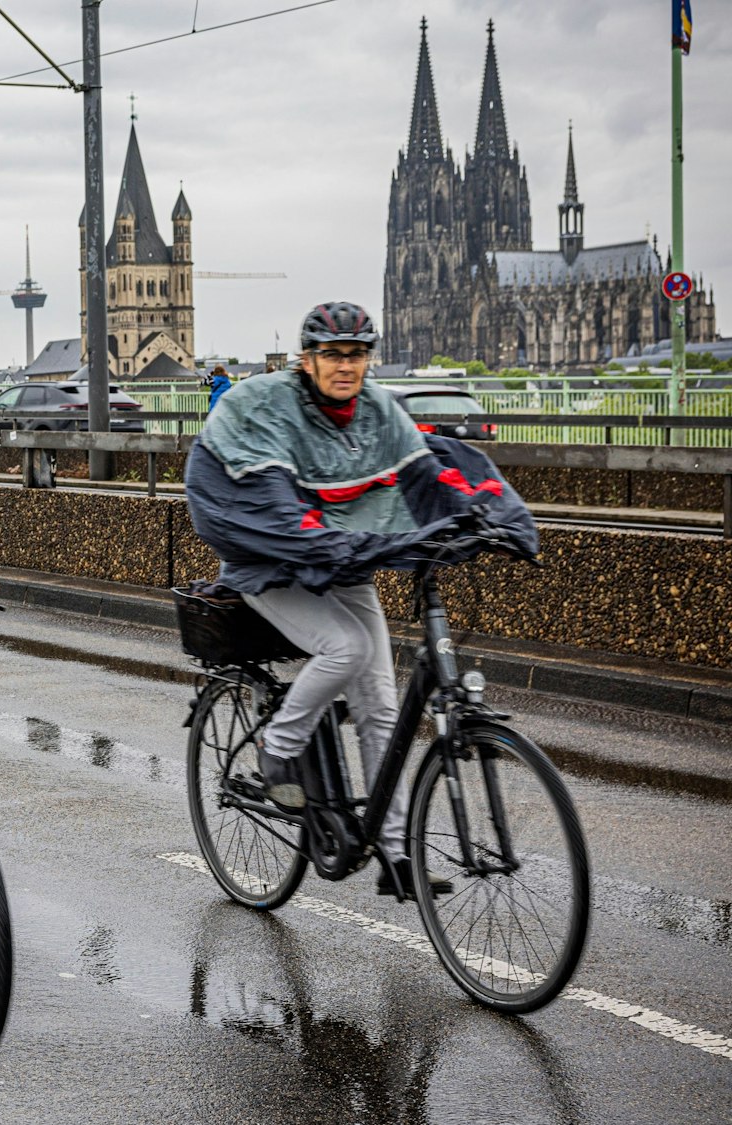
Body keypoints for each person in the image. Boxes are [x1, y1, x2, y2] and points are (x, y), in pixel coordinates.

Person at [183, 301, 534, 902]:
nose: (346, 366)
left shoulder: (378, 409)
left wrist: (486, 520)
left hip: (340, 554)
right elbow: (264, 501)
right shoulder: (267, 404)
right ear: (307, 359)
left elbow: (428, 474)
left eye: (357, 355)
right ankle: (279, 745)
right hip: (269, 563)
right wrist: (321, 539)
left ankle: (397, 855)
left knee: (379, 704)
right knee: (346, 647)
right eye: (333, 355)